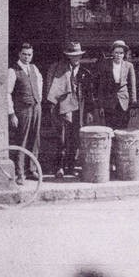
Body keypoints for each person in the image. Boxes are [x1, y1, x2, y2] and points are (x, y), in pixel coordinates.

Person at [47, 41, 96, 179]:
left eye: (78, 56)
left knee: (75, 138)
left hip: (79, 110)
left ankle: (71, 166)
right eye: (73, 56)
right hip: (63, 108)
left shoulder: (84, 73)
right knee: (62, 137)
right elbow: (52, 89)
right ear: (68, 56)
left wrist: (90, 112)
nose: (75, 58)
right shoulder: (59, 70)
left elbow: (89, 94)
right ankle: (59, 167)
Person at [8, 42, 43, 185]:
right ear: (19, 54)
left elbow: (40, 82)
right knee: (21, 140)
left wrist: (38, 99)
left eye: (29, 54)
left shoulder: (34, 68)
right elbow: (7, 93)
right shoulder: (13, 70)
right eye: (24, 54)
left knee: (35, 138)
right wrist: (11, 114)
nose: (27, 57)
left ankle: (31, 169)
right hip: (22, 110)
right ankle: (20, 173)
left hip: (36, 108)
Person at [97, 40, 137, 130]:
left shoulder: (129, 66)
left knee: (123, 129)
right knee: (110, 129)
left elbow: (132, 86)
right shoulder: (106, 65)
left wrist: (133, 105)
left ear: (124, 54)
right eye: (116, 52)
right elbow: (101, 86)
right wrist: (101, 106)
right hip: (109, 103)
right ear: (112, 53)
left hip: (124, 102)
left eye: (121, 53)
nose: (118, 55)